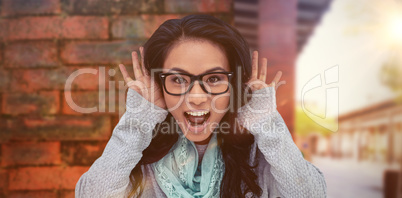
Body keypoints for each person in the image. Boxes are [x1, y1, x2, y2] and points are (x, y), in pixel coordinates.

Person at [75, 14, 326, 198]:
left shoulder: (261, 157)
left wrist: (266, 121)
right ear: (160, 85)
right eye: (178, 79)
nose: (196, 96)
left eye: (214, 79)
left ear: (234, 84)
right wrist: (137, 120)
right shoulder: (138, 156)